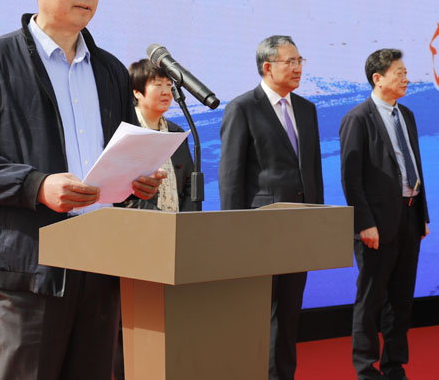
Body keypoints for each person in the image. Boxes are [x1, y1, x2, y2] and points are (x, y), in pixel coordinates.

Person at [0, 0, 164, 380]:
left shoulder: (111, 70)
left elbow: (118, 154)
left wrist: (135, 184)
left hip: (101, 266)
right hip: (27, 272)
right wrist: (36, 185)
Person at [218, 35, 324, 380]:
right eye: (289, 62)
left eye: (299, 61)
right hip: (259, 232)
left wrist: (318, 221)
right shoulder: (242, 108)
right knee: (258, 316)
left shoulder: (306, 109)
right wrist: (234, 234)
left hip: (299, 231)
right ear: (267, 67)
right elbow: (230, 177)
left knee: (289, 316)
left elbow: (312, 170)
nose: (297, 68)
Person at [340, 49, 430, 380]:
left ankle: (394, 367)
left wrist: (422, 215)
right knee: (371, 300)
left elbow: (415, 166)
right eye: (399, 73)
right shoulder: (358, 118)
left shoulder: (406, 115)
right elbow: (351, 178)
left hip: (409, 217)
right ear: (378, 78)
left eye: (406, 73)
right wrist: (364, 223)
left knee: (401, 300)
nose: (406, 79)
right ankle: (366, 370)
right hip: (376, 225)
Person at [126, 58, 202, 212]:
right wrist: (158, 218)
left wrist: (184, 220)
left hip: (177, 222)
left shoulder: (176, 132)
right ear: (137, 92)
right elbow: (121, 190)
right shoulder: (128, 131)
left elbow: (189, 182)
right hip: (138, 220)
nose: (166, 92)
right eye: (158, 85)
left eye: (169, 85)